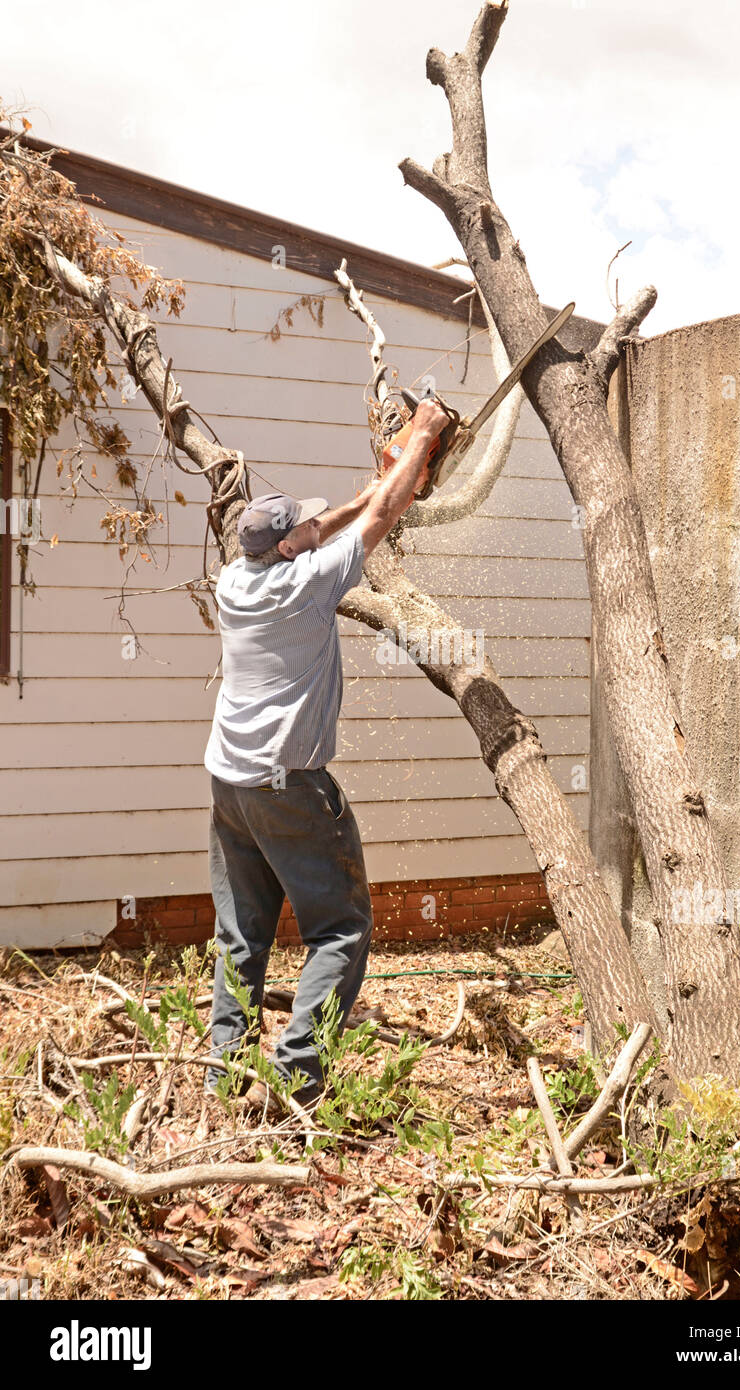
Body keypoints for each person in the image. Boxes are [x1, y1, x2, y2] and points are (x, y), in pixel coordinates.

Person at [203, 398, 450, 1113]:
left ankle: (223, 1079)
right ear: (288, 550)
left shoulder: (235, 577)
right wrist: (424, 438)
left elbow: (330, 526)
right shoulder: (306, 584)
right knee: (339, 930)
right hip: (288, 788)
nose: (313, 529)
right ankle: (296, 1080)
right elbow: (379, 522)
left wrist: (373, 486)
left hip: (229, 786)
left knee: (241, 934)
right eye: (302, 528)